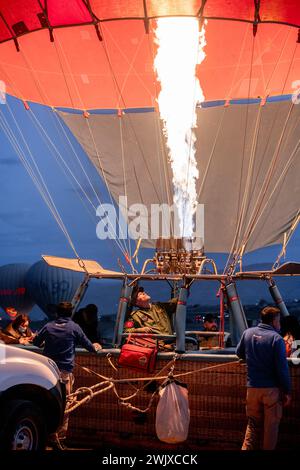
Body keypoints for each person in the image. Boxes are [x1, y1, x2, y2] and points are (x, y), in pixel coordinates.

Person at [33, 301, 102, 449]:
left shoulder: (49, 326)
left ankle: (45, 434)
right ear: (70, 313)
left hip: (48, 372)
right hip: (64, 373)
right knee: (65, 405)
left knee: (47, 404)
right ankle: (59, 438)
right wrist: (96, 346)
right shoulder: (74, 327)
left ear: (57, 313)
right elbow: (89, 347)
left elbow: (36, 342)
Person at [236, 306, 291, 450]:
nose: (279, 324)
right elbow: (282, 369)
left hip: (252, 388)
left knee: (252, 426)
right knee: (270, 429)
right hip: (271, 391)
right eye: (278, 321)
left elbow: (239, 353)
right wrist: (287, 391)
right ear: (274, 321)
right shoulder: (276, 339)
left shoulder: (247, 333)